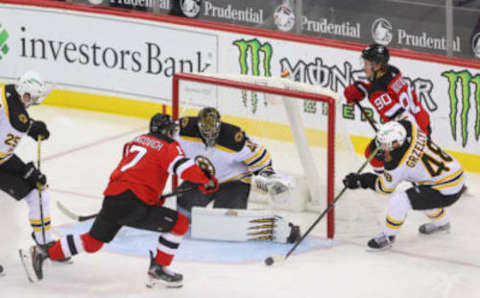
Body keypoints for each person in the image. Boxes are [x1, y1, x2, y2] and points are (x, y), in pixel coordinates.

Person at [19, 113, 219, 288]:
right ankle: (158, 269)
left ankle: (43, 251)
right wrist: (206, 179)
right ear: (167, 131)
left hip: (114, 195)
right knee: (180, 223)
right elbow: (182, 168)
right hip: (133, 201)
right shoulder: (169, 146)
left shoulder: (136, 141)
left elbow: (137, 170)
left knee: (93, 241)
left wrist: (150, 197)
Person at [342, 120, 465, 250]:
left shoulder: (398, 164)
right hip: (455, 173)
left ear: (396, 143)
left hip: (446, 190)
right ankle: (442, 224)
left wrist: (361, 180)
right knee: (423, 198)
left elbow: (384, 188)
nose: (383, 149)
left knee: (400, 200)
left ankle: (388, 236)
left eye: (386, 146)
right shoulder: (410, 128)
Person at [175, 107, 290, 216]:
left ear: (219, 125)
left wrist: (269, 179)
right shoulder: (185, 131)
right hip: (202, 178)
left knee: (227, 219)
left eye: (213, 131)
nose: (210, 135)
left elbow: (260, 158)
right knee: (183, 207)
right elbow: (166, 135)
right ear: (198, 126)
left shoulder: (233, 140)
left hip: (233, 181)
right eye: (206, 131)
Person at [344, 43, 432, 173]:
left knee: (373, 155)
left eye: (367, 64)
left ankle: (384, 183)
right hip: (423, 121)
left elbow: (400, 115)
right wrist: (363, 88)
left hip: (411, 129)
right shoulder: (393, 70)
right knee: (428, 160)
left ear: (378, 65)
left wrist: (408, 140)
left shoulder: (376, 91)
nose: (364, 67)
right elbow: (389, 92)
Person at [0, 71, 57, 246]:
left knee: (38, 192)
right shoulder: (16, 121)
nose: (31, 104)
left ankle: (44, 241)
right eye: (31, 99)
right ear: (25, 95)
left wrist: (31, 126)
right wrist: (26, 171)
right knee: (37, 189)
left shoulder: (7, 93)